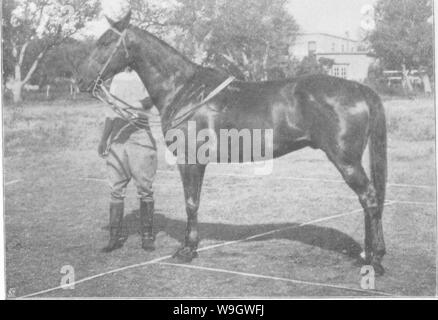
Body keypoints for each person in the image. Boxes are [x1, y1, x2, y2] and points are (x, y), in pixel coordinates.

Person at [99, 67, 158, 252]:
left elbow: (151, 100)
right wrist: (104, 139)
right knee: (116, 189)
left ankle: (147, 237)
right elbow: (110, 111)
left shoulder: (145, 73)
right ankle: (114, 237)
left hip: (140, 135)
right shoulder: (116, 77)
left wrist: (131, 105)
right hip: (118, 136)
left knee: (145, 189)